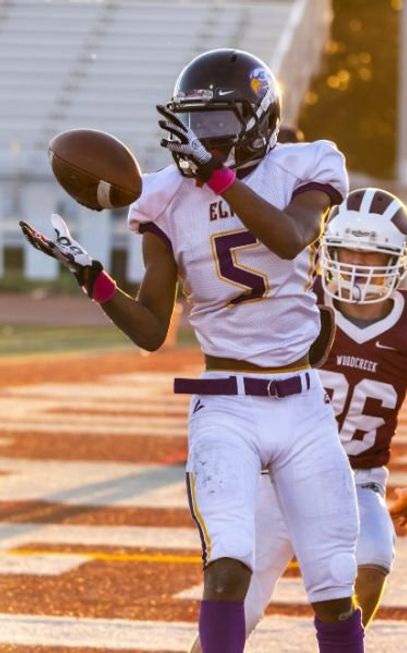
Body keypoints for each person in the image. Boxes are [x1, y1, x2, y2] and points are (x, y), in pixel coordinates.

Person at [21, 49, 364, 653]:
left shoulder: (308, 165)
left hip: (304, 404)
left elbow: (287, 239)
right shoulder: (164, 196)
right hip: (226, 408)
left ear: (258, 121)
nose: (202, 140)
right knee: (227, 560)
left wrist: (217, 176)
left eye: (218, 125)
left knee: (334, 580)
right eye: (193, 124)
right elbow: (154, 329)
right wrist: (92, 278)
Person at [235, 187, 407, 636]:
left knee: (373, 561)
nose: (358, 266)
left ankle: (341, 643)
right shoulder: (297, 301)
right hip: (278, 475)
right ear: (327, 249)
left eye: (373, 255)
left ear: (398, 259)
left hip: (358, 481)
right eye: (348, 251)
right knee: (233, 606)